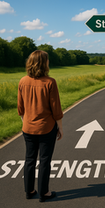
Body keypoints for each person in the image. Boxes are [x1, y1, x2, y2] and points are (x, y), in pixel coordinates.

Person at [18, 50, 64, 202]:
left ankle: (29, 191)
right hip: (46, 128)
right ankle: (44, 193)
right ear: (44, 63)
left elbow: (20, 108)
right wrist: (60, 128)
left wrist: (26, 122)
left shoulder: (22, 81)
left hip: (28, 128)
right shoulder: (50, 82)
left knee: (29, 159)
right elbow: (56, 109)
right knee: (45, 160)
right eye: (47, 60)